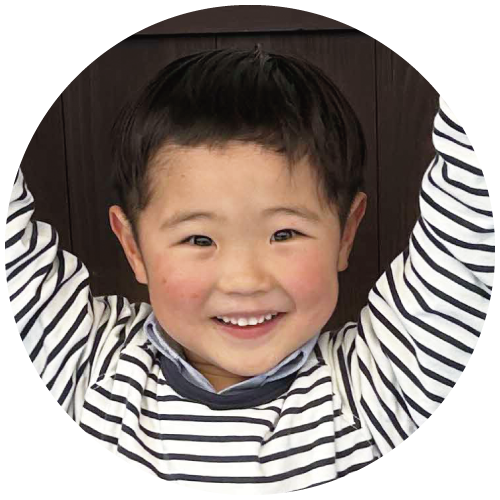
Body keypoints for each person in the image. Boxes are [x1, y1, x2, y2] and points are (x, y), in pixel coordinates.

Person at [6, 47, 492, 494]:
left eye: (284, 234)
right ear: (133, 246)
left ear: (345, 233)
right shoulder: (87, 365)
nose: (244, 281)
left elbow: (470, 221)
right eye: (199, 239)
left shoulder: (382, 387)